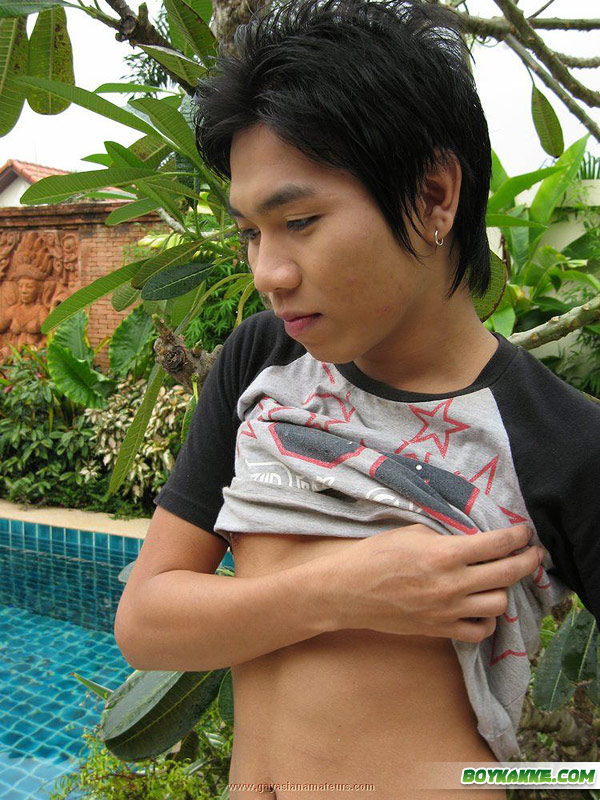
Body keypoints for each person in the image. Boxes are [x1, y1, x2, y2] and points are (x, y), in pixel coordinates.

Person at [114, 0, 600, 796]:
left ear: (435, 196)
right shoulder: (263, 363)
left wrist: (549, 779)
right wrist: (345, 591)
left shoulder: (561, 441)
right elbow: (146, 623)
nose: (268, 272)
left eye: (300, 220)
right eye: (251, 232)